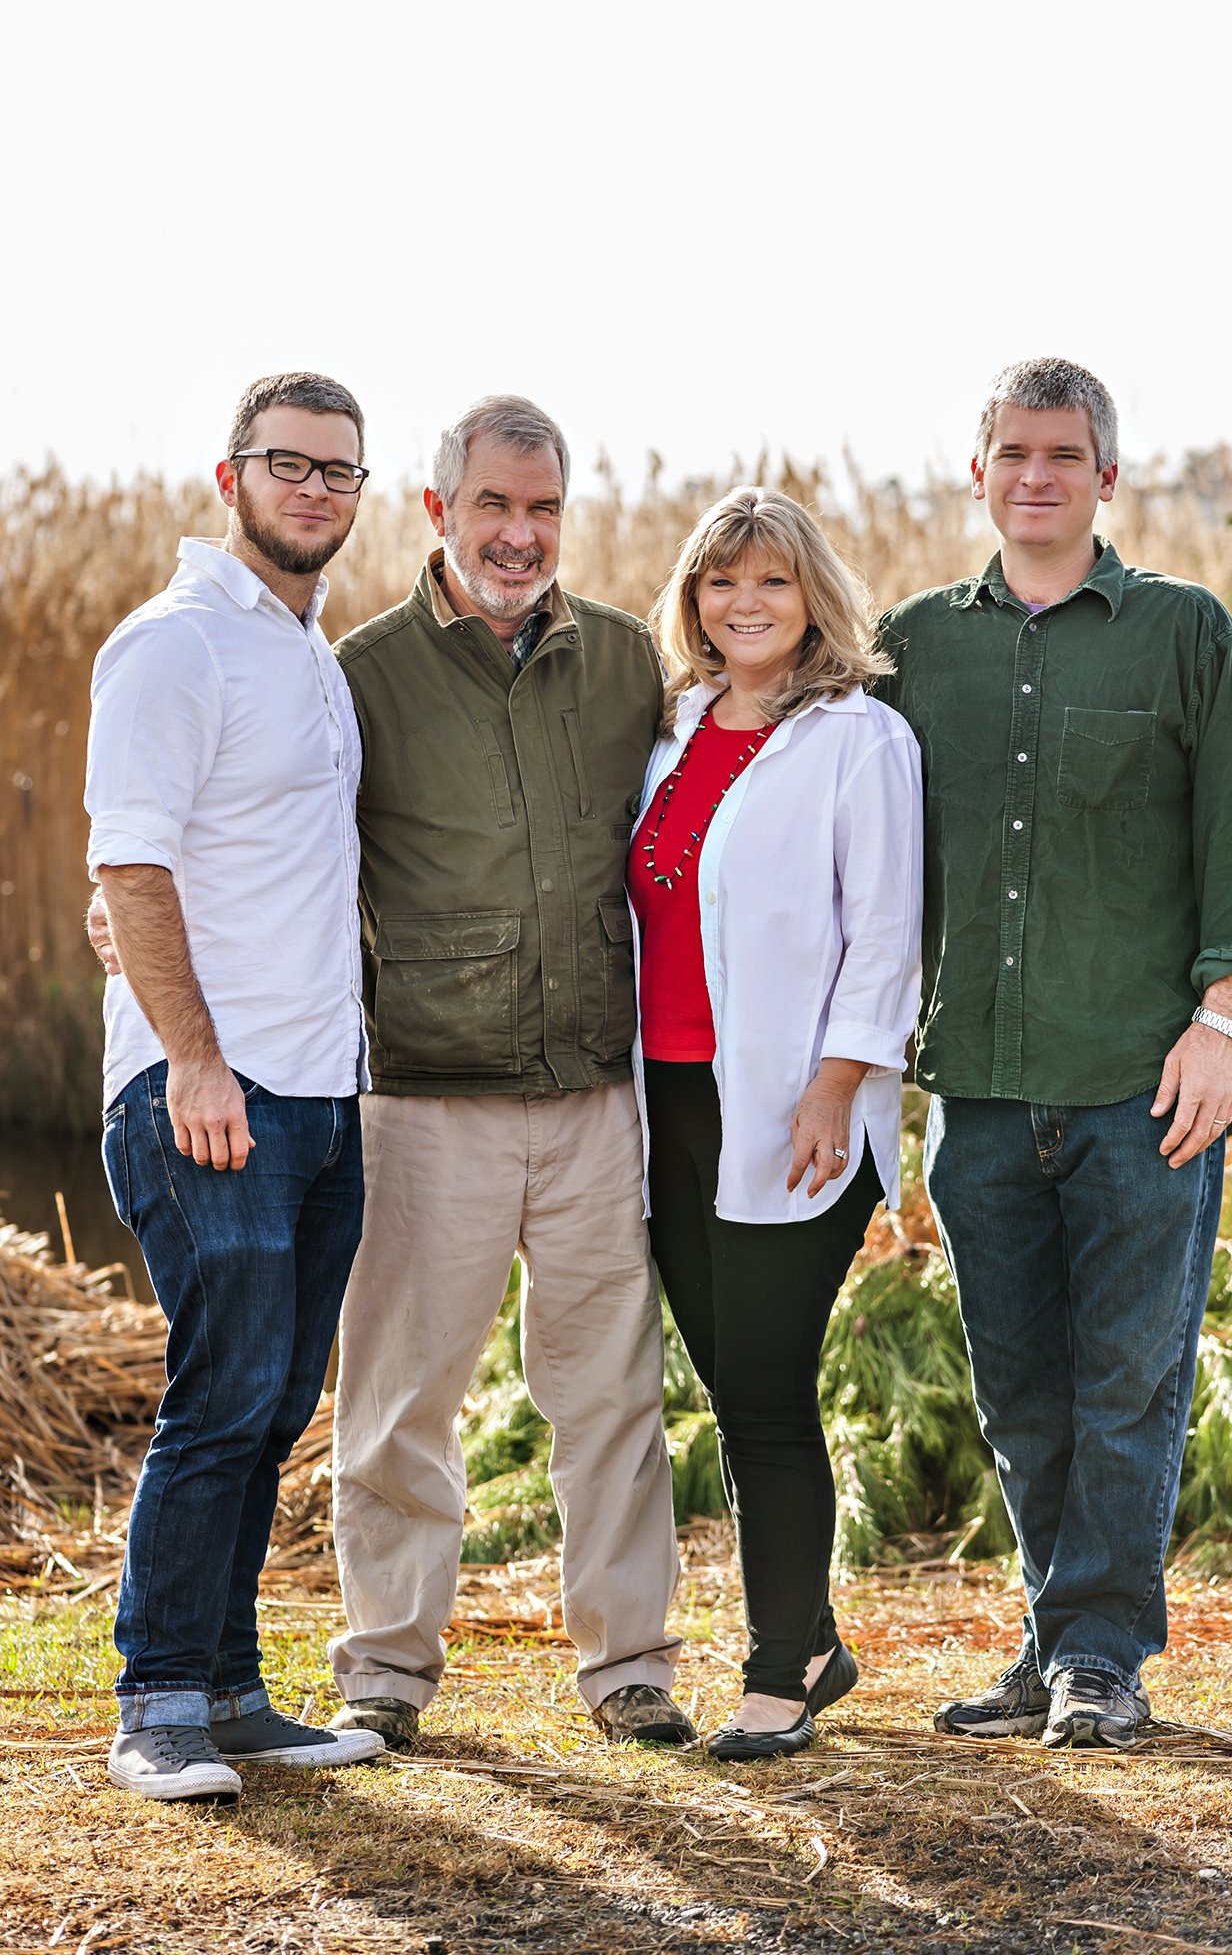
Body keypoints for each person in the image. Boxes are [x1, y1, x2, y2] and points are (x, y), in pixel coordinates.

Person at [881, 358, 1232, 1750]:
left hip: (1140, 1086)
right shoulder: (909, 648)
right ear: (977, 471)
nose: (1035, 475)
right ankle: (1050, 1641)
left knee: (1127, 1380)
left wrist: (1221, 1021)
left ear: (1104, 478)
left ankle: (1102, 1653)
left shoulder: (1181, 635)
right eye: (1010, 452)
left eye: (1063, 454)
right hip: (982, 1098)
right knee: (1018, 1390)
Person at [326, 396, 692, 1751]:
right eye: (493, 505)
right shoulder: (361, 674)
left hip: (594, 1095)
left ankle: (627, 1668)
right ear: (437, 511)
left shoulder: (623, 663)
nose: (518, 533)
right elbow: (279, 843)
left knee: (609, 1396)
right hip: (427, 1099)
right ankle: (384, 1670)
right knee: (400, 1402)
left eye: (541, 509)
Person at [84, 372, 385, 1800]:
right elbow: (129, 867)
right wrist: (195, 1059)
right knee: (221, 1396)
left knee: (269, 1403)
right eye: (291, 466)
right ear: (231, 476)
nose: (317, 490)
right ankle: (156, 1703)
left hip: (321, 1095)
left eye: (340, 472)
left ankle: (233, 1692)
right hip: (210, 1090)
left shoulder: (308, 658)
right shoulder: (178, 644)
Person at [631, 487, 923, 1760]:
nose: (741, 604)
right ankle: (809, 1632)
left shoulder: (859, 737)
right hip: (670, 1102)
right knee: (730, 1378)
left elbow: (887, 931)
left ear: (814, 599)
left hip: (796, 1108)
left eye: (770, 583)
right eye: (717, 582)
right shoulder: (673, 727)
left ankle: (774, 1675)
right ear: (691, 599)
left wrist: (833, 1087)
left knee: (761, 1387)